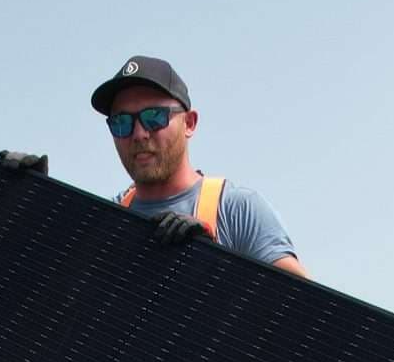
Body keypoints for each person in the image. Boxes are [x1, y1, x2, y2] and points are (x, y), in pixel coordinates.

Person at [89, 56, 305, 276]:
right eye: (122, 123)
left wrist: (217, 260)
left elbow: (304, 303)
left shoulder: (236, 211)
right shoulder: (104, 224)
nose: (139, 134)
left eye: (154, 117)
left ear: (189, 123)